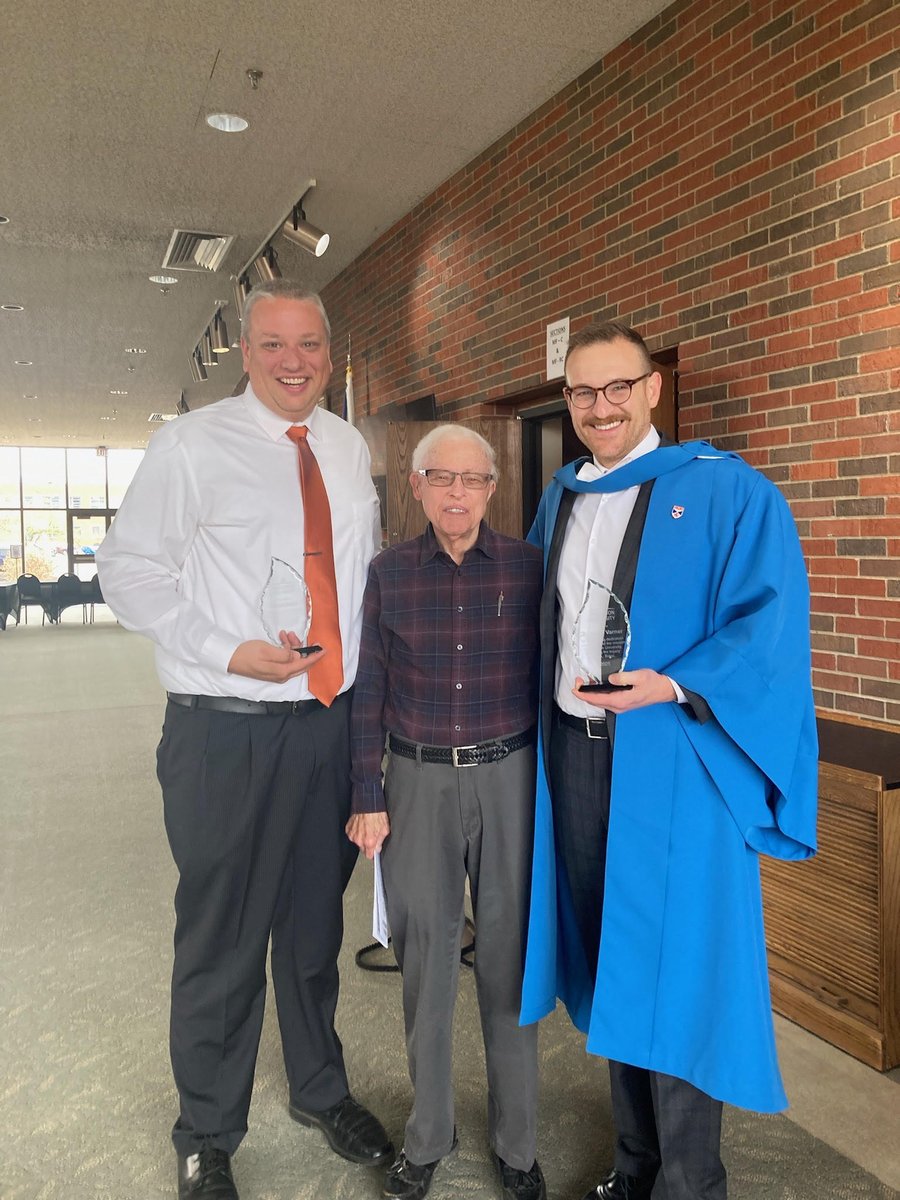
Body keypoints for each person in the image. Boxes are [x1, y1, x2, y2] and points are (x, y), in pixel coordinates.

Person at [96, 279, 392, 1199]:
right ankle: (208, 1130)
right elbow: (127, 572)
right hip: (224, 732)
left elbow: (360, 578)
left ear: (330, 356)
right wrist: (229, 649)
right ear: (246, 352)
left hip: (327, 726)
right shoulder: (190, 446)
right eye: (273, 345)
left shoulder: (346, 448)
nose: (293, 361)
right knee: (222, 936)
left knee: (311, 928)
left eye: (309, 345)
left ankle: (318, 1090)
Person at [519, 321, 818, 1200]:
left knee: (676, 970)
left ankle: (691, 1183)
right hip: (576, 761)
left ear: (654, 389)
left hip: (675, 767)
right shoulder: (560, 498)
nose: (599, 407)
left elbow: (768, 628)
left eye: (618, 387)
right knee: (617, 959)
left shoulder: (727, 493)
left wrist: (675, 684)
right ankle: (634, 1163)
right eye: (581, 392)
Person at [347, 425, 547, 1200]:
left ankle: (518, 1145)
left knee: (509, 962)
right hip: (418, 783)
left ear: (493, 489)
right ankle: (428, 1135)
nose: (457, 493)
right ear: (418, 485)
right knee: (425, 962)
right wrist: (368, 794)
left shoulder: (531, 568)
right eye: (442, 478)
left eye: (473, 480)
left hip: (511, 780)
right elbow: (369, 691)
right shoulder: (389, 573)